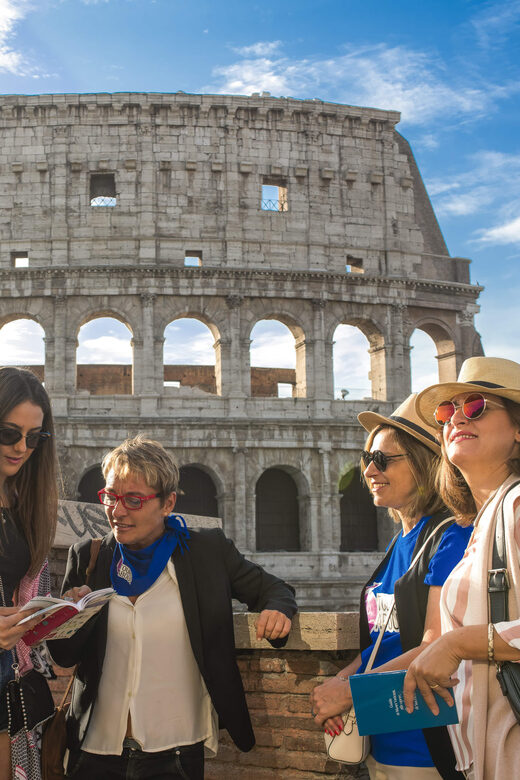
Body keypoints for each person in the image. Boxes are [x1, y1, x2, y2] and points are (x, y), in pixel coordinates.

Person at [48, 435, 297, 779]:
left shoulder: (206, 553)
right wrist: (70, 615)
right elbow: (62, 655)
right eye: (110, 497)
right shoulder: (89, 557)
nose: (117, 512)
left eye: (133, 500)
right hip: (93, 750)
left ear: (167, 503)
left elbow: (274, 589)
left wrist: (277, 609)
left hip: (175, 753)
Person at [310, 394, 472, 780]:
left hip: (426, 745)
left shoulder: (452, 536)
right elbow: (387, 642)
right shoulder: (399, 543)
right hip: (382, 732)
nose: (369, 471)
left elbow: (435, 644)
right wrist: (340, 684)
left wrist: (350, 693)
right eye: (368, 459)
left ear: (425, 465)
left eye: (382, 460)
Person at [403, 357, 520, 780]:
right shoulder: (485, 518)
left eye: (475, 406)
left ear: (518, 429)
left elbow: (451, 643)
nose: (456, 418)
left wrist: (458, 645)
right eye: (446, 412)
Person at [0, 366, 58, 780]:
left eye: (34, 437)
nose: (21, 446)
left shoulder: (19, 500)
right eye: (9, 433)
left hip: (10, 682)